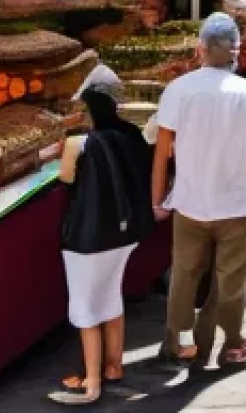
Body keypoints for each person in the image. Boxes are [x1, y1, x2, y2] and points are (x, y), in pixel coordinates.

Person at [153, 14, 246, 368]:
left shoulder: (178, 90)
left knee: (184, 273)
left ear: (201, 49)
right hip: (236, 206)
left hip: (190, 203)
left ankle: (178, 343)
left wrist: (157, 199)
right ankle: (231, 344)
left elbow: (163, 150)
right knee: (231, 280)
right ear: (236, 52)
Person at [50, 66, 154, 406]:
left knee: (86, 308)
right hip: (125, 235)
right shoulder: (132, 136)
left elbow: (66, 180)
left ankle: (90, 383)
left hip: (87, 237)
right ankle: (114, 367)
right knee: (111, 297)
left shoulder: (77, 144)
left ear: (88, 108)